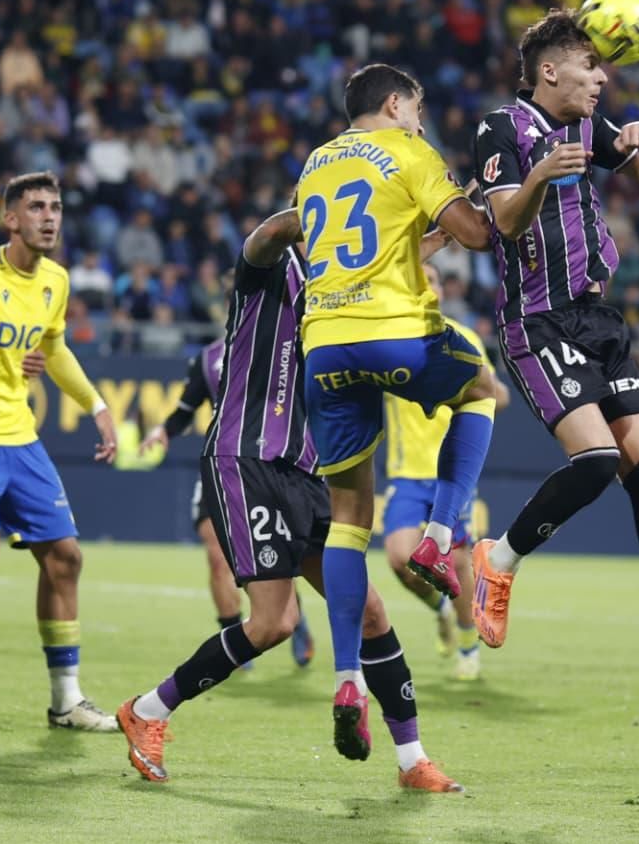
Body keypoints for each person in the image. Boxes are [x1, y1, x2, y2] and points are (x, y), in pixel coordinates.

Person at [116, 210, 462, 793]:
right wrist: (332, 205)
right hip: (244, 459)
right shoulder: (273, 268)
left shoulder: (344, 288)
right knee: (274, 622)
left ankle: (412, 761)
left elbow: (391, 262)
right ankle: (148, 710)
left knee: (370, 610)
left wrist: (439, 231)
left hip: (305, 472)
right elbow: (268, 234)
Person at [466, 9, 639, 677]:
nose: (602, 78)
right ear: (549, 72)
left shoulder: (589, 124)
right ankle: (499, 559)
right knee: (599, 460)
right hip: (536, 320)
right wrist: (542, 172)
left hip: (599, 320)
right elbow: (504, 223)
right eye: (590, 65)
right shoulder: (501, 127)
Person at [293, 64, 495, 749]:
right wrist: (486, 203)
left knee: (348, 521)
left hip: (324, 344)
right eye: (417, 108)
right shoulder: (410, 151)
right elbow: (477, 234)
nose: (420, 120)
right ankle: (440, 535)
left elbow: (367, 250)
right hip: (393, 333)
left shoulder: (315, 164)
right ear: (394, 103)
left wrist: (427, 239)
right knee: (480, 390)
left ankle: (348, 676)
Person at [0, 171, 119, 735]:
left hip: (21, 439)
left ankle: (66, 701)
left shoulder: (56, 279)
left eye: (55, 207)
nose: (49, 217)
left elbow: (54, 350)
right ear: (10, 219)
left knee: (66, 558)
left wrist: (97, 406)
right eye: (36, 207)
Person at [139, 339, 316, 668]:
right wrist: (163, 430)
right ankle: (235, 642)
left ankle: (296, 617)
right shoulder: (208, 358)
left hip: (271, 467)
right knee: (218, 558)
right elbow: (186, 409)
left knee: (278, 557)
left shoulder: (286, 344)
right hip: (223, 466)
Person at [381, 263, 510, 680]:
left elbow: (497, 395)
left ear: (440, 289)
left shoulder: (461, 338)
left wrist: (465, 392)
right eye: (418, 281)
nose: (427, 287)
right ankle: (442, 610)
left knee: (455, 560)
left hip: (450, 471)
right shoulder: (386, 337)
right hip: (406, 472)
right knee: (399, 559)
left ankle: (469, 646)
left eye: (433, 280)